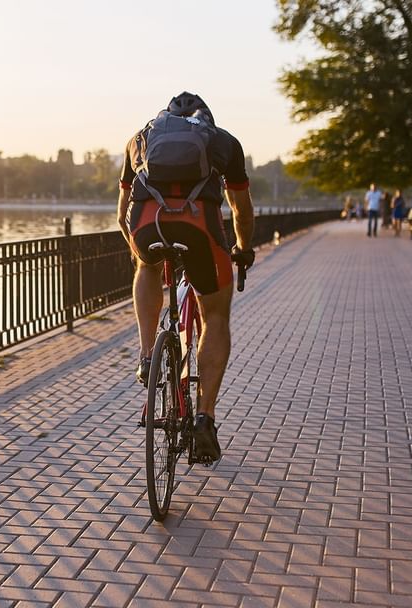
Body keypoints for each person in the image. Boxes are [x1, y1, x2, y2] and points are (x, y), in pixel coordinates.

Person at [118, 91, 255, 465]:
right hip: (199, 230)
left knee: (145, 267)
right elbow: (241, 211)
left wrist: (140, 251)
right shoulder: (224, 142)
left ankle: (148, 354)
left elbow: (121, 213)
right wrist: (243, 248)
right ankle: (204, 418)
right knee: (216, 316)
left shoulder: (139, 139)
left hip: (147, 226)